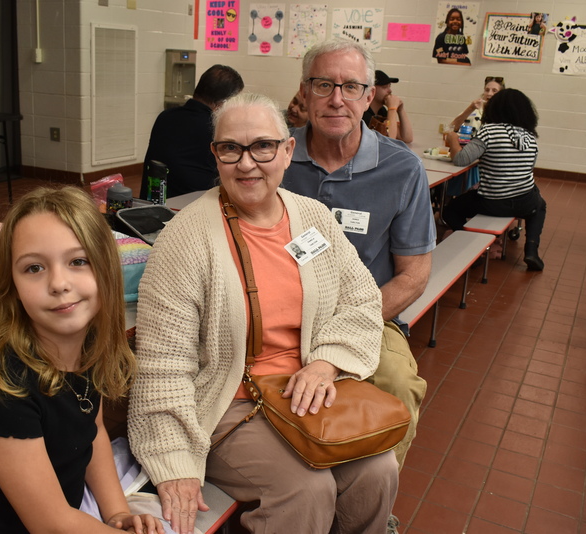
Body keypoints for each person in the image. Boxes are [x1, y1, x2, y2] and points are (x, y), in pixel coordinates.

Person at [128, 92, 399, 534]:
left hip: (306, 392)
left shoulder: (313, 218)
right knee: (307, 490)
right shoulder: (185, 239)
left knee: (379, 470)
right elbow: (163, 363)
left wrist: (327, 363)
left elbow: (362, 299)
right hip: (229, 402)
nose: (247, 163)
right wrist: (173, 457)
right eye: (230, 148)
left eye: (263, 147)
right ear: (215, 155)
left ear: (288, 151)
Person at [0, 186, 164, 534]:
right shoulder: (0, 384)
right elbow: (50, 524)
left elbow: (91, 430)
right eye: (34, 268)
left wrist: (117, 514)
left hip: (70, 512)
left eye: (78, 261)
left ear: (106, 269)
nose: (59, 283)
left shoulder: (86, 341)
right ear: (11, 285)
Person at [282, 37, 433, 477]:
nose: (336, 99)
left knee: (399, 384)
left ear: (370, 97)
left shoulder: (401, 168)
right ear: (305, 92)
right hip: (280, 309)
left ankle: (375, 501)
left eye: (350, 87)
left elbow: (413, 277)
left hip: (368, 314)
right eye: (323, 84)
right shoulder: (276, 154)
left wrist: (340, 333)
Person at [443, 88, 547, 271]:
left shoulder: (489, 131)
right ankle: (531, 251)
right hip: (525, 201)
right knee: (539, 206)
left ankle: (472, 250)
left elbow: (461, 160)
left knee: (450, 211)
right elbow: (528, 169)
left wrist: (453, 139)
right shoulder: (530, 137)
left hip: (492, 202)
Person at [140, 65, 244, 199]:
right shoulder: (215, 127)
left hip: (153, 202)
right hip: (193, 205)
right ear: (223, 103)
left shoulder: (165, 117)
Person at [445, 76, 505, 196]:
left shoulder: (503, 114)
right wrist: (470, 108)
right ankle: (447, 201)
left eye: (494, 91)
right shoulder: (475, 110)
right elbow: (452, 128)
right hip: (466, 154)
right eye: (487, 90)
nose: (489, 94)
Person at [361, 70, 414, 143]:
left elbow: (407, 138)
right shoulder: (364, 113)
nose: (390, 91)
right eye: (385, 87)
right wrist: (392, 109)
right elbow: (388, 140)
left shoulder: (381, 110)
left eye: (389, 86)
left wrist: (400, 110)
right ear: (372, 90)